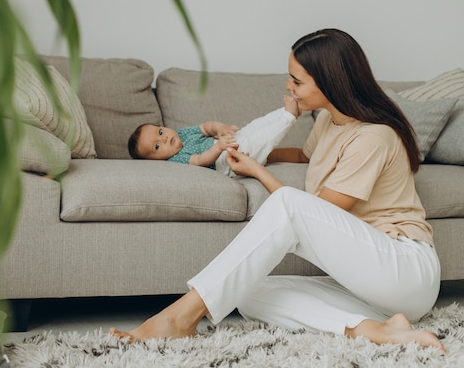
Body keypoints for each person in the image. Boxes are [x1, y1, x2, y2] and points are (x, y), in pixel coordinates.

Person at [111, 28, 446, 352]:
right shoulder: (330, 120)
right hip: (370, 283)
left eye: (297, 81)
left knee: (288, 203)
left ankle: (180, 318)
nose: (289, 87)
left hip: (405, 271)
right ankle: (373, 329)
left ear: (331, 82)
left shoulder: (375, 136)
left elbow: (316, 209)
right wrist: (254, 153)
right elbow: (304, 155)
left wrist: (256, 170)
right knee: (246, 293)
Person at [127, 95, 300, 177]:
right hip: (227, 160)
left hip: (229, 142)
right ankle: (289, 117)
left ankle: (284, 112)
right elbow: (201, 160)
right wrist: (218, 147)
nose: (164, 138)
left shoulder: (180, 134)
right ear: (156, 160)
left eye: (160, 132)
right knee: (262, 138)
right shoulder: (175, 159)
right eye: (157, 146)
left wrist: (220, 128)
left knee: (256, 126)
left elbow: (205, 127)